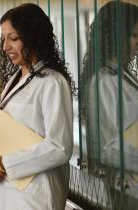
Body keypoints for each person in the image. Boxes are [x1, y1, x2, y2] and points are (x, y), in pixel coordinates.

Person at [0, 3, 75, 210]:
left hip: (35, 196)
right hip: (5, 191)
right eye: (4, 39)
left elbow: (59, 147)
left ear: (33, 37)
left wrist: (3, 164)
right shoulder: (15, 80)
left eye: (14, 38)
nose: (5, 47)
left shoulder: (52, 82)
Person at [81, 1, 138, 208]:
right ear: (116, 36)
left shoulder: (123, 75)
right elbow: (108, 149)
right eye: (134, 35)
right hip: (127, 189)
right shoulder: (103, 81)